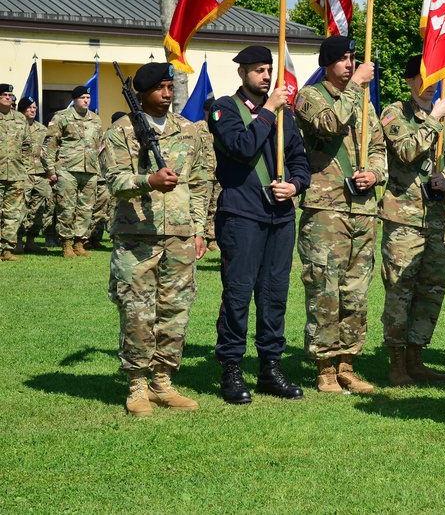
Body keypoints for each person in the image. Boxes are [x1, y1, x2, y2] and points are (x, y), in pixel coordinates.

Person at [100, 63, 209, 417]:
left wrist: (199, 229)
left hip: (179, 235)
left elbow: (200, 181)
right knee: (137, 311)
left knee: (175, 310)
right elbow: (114, 180)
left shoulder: (187, 130)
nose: (167, 94)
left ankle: (162, 380)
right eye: (160, 88)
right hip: (136, 236)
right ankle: (137, 384)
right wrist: (148, 181)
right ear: (143, 93)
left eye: (170, 87)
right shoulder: (121, 132)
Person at [209, 45, 311, 405]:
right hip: (242, 215)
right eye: (258, 70)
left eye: (269, 70)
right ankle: (231, 368)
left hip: (280, 217)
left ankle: (270, 366)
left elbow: (301, 161)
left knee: (274, 296)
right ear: (242, 73)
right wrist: (269, 110)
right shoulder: (224, 109)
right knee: (238, 295)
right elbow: (242, 146)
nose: (266, 77)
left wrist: (295, 185)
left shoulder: (285, 117)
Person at [295, 35, 385, 394]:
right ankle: (325, 367)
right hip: (325, 208)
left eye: (353, 59)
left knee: (356, 291)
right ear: (327, 63)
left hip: (362, 208)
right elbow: (330, 125)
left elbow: (378, 146)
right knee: (324, 289)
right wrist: (357, 86)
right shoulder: (310, 97)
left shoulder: (363, 101)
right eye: (343, 59)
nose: (350, 65)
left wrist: (376, 172)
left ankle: (348, 363)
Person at [379, 54, 445, 386]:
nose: (428, 87)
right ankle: (396, 363)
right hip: (404, 217)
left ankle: (417, 357)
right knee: (401, 289)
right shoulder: (393, 113)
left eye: (433, 80)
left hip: (437, 219)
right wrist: (433, 120)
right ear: (410, 81)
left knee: (431, 290)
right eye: (421, 80)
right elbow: (407, 151)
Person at [42, 84, 103, 258]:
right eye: (83, 98)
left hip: (90, 169)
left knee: (86, 209)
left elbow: (99, 145)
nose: (86, 100)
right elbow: (50, 144)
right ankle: (66, 244)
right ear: (74, 100)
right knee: (66, 207)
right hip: (67, 169)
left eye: (88, 98)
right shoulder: (62, 117)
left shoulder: (96, 119)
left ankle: (79, 243)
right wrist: (50, 169)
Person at [16, 97, 51, 254]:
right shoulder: (16, 127)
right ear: (22, 109)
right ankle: (17, 241)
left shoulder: (42, 129)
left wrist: (50, 172)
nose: (32, 110)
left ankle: (31, 240)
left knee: (38, 209)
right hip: (22, 173)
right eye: (29, 107)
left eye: (35, 107)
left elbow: (48, 152)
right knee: (20, 209)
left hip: (40, 174)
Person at [0, 84, 30, 261]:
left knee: (13, 213)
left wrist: (23, 165)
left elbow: (27, 145)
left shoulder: (20, 119)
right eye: (4, 94)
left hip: (16, 174)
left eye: (10, 95)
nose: (8, 97)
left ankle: (7, 249)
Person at [196, 98, 220, 250]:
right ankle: (199, 238)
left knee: (215, 207)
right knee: (201, 207)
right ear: (205, 111)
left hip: (219, 174)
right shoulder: (197, 128)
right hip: (202, 175)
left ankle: (212, 239)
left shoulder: (221, 127)